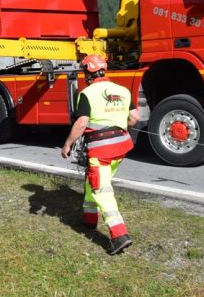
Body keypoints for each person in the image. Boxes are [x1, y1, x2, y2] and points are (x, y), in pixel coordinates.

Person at [61, 54, 139, 255]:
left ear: (88, 73)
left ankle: (119, 234)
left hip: (101, 150)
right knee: (94, 180)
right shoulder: (122, 90)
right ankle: (89, 218)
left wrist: (68, 144)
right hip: (121, 147)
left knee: (101, 189)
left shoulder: (87, 93)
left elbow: (81, 123)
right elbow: (134, 118)